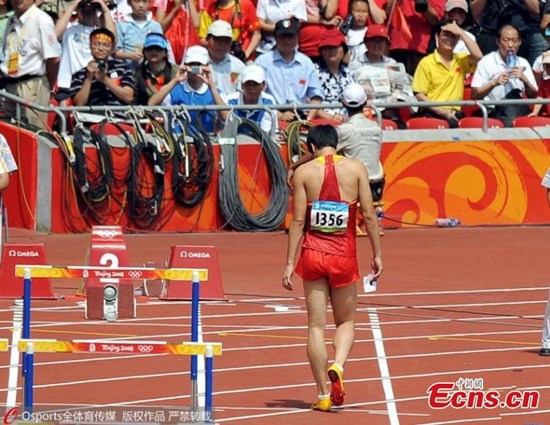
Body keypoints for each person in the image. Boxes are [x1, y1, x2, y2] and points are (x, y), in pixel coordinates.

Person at [282, 123, 383, 412]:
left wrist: (290, 263)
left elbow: (298, 222)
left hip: (312, 255)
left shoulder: (303, 172)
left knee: (315, 325)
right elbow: (369, 214)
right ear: (336, 144)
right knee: (346, 322)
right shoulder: (356, 168)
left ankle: (323, 394)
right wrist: (377, 254)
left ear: (312, 147)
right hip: (344, 255)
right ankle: (338, 364)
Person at [0, 0, 61, 129]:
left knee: (33, 133)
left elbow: (53, 59)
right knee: (11, 134)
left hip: (32, 85)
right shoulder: (11, 20)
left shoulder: (41, 19)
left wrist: (48, 85)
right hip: (10, 85)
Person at [412, 19, 482, 127]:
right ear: (437, 37)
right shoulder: (426, 62)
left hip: (455, 114)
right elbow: (420, 95)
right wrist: (441, 111)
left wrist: (461, 32)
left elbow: (478, 56)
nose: (449, 39)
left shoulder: (460, 59)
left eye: (453, 36)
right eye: (446, 35)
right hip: (433, 113)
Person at [255, 17, 324, 122]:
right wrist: (279, 115)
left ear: (298, 37)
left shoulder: (306, 62)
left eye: (290, 36)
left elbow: (316, 95)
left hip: (301, 115)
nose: (287, 40)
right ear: (276, 37)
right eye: (283, 36)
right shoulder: (262, 62)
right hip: (271, 115)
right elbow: (256, 95)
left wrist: (307, 119)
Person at [148, 45, 229, 133]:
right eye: (191, 64)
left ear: (206, 66)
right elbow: (151, 105)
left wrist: (212, 86)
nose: (194, 68)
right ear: (185, 65)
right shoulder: (173, 89)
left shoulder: (216, 92)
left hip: (207, 142)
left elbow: (225, 117)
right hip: (178, 142)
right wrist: (175, 80)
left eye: (198, 65)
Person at [471, 24, 538, 127]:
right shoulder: (486, 61)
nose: (510, 45)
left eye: (514, 41)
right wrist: (493, 83)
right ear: (498, 42)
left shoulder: (523, 62)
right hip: (493, 110)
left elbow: (533, 95)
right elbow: (475, 94)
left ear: (519, 42)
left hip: (517, 109)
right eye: (506, 40)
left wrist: (525, 80)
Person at [55, 0, 116, 103]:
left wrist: (105, 10)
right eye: (84, 10)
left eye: (91, 10)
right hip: (67, 83)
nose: (87, 11)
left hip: (92, 83)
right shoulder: (69, 29)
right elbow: (55, 34)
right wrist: (74, 5)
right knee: (65, 113)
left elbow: (112, 43)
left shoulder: (100, 33)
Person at [69, 28, 136, 111]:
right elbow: (79, 104)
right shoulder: (79, 74)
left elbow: (129, 98)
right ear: (90, 46)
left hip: (120, 117)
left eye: (106, 45)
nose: (100, 48)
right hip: (91, 119)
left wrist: (104, 79)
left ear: (112, 49)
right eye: (96, 44)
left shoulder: (123, 69)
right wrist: (89, 78)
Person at [473, 0, 546, 65]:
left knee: (532, 73)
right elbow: (473, 14)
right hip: (492, 35)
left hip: (528, 34)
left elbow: (537, 10)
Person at [386, 0, 445, 75]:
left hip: (421, 49)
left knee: (419, 84)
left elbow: (434, 19)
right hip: (397, 46)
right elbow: (389, 12)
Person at [314, 28, 355, 123]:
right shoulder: (313, 71)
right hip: (323, 122)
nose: (331, 51)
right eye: (327, 47)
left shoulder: (347, 72)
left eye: (335, 47)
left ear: (343, 50)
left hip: (348, 119)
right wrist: (329, 117)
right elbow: (307, 101)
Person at [222, 64, 277, 133]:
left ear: (263, 86)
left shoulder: (269, 101)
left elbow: (266, 134)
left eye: (256, 84)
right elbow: (228, 131)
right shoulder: (230, 100)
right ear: (242, 85)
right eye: (248, 83)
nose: (251, 88)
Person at [113, 0, 164, 68]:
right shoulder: (121, 25)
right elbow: (115, 52)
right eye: (136, 1)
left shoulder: (155, 26)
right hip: (127, 71)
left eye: (145, 1)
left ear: (150, 3)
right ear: (129, 2)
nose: (141, 5)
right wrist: (130, 55)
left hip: (150, 70)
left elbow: (163, 49)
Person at [133, 32, 179, 105]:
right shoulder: (137, 72)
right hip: (145, 113)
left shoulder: (175, 71)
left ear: (165, 53)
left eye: (158, 49)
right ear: (144, 52)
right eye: (150, 49)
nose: (153, 52)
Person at [205, 20, 245, 96]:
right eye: (218, 40)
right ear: (207, 39)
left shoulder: (238, 66)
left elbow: (242, 94)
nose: (222, 45)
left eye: (227, 40)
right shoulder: (196, 63)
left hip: (231, 107)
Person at [154, 0, 200, 65]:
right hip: (171, 46)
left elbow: (196, 24)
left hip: (188, 47)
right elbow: (160, 27)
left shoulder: (192, 2)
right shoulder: (164, 1)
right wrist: (176, 8)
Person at [343, 0, 387, 70]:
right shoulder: (345, 33)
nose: (361, 15)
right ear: (350, 12)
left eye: (364, 11)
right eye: (357, 11)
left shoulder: (370, 33)